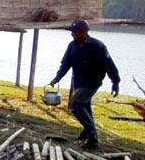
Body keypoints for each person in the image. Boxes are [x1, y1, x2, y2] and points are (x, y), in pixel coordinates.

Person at [49, 20, 120, 149]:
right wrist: (57, 78)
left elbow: (109, 65)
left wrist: (115, 82)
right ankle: (87, 131)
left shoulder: (98, 46)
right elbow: (65, 64)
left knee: (75, 105)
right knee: (85, 106)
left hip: (93, 81)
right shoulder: (72, 46)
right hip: (79, 81)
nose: (72, 35)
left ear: (83, 32)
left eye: (74, 32)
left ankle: (93, 138)